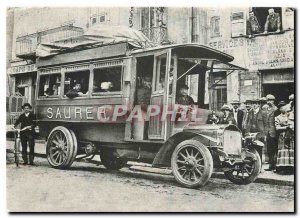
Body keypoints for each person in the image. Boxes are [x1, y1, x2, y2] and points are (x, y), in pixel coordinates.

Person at [275, 101, 294, 174]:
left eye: (283, 107)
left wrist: (291, 127)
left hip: (290, 136)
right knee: (283, 151)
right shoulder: (277, 117)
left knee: (290, 151)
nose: (282, 108)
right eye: (280, 107)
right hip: (282, 136)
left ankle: (291, 167)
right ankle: (282, 168)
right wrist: (286, 127)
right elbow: (277, 128)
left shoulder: (290, 115)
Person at [265, 94, 278, 171]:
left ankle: (275, 165)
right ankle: (270, 165)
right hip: (267, 132)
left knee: (274, 149)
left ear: (273, 101)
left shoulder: (276, 109)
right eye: (268, 100)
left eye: (270, 100)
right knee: (269, 149)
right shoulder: (266, 109)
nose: (269, 102)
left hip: (274, 132)